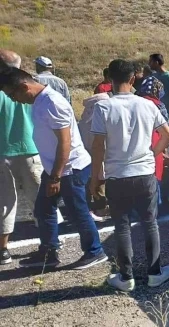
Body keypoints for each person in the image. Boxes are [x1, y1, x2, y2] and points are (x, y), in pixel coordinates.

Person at [0, 66, 107, 269]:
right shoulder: (39, 101)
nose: (13, 99)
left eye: (13, 94)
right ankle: (49, 252)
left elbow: (65, 143)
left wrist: (56, 177)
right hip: (55, 169)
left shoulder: (52, 102)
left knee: (77, 212)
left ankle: (95, 251)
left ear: (24, 86)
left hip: (69, 169)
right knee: (43, 209)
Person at [89, 59, 169, 291]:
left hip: (117, 176)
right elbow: (168, 135)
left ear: (109, 79)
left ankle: (126, 277)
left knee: (122, 227)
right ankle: (154, 273)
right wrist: (152, 153)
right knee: (150, 223)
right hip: (145, 173)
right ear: (133, 78)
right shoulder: (147, 105)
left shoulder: (103, 107)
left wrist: (96, 177)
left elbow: (98, 146)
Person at [0, 50, 44, 264]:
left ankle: (3, 250)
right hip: (31, 147)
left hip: (3, 151)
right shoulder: (32, 85)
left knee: (4, 201)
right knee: (40, 197)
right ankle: (49, 241)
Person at [149, 54, 169, 129]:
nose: (149, 64)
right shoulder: (153, 76)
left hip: (167, 113)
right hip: (155, 112)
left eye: (150, 62)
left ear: (156, 62)